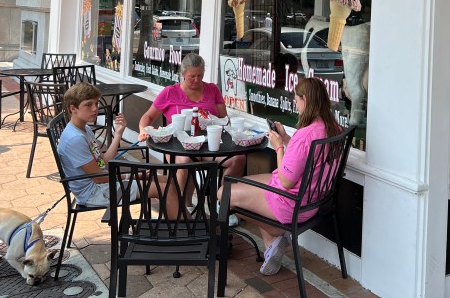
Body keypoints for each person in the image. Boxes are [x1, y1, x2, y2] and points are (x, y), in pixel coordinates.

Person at [219, 77, 342, 276]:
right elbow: (305, 156)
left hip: (291, 204)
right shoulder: (333, 128)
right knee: (244, 184)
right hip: (313, 200)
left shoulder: (306, 134)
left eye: (297, 100)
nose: (295, 103)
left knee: (224, 193)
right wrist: (285, 139)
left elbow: (286, 181)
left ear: (306, 100)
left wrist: (278, 146)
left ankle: (277, 232)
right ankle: (271, 248)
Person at [137, 53, 245, 222]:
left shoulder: (212, 89)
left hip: (209, 144)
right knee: (186, 161)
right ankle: (182, 206)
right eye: (191, 77)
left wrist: (212, 121)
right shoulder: (170, 92)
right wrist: (144, 130)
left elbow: (225, 121)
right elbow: (147, 117)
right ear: (182, 74)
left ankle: (223, 203)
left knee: (238, 158)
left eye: (200, 76)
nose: (196, 80)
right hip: (179, 146)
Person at [58, 82, 177, 215]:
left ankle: (178, 226)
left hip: (103, 184)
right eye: (88, 105)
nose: (95, 109)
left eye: (96, 104)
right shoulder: (75, 139)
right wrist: (133, 176)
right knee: (165, 189)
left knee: (167, 181)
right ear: (73, 108)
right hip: (95, 193)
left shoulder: (84, 129)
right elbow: (99, 177)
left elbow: (104, 163)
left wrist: (119, 133)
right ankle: (181, 230)